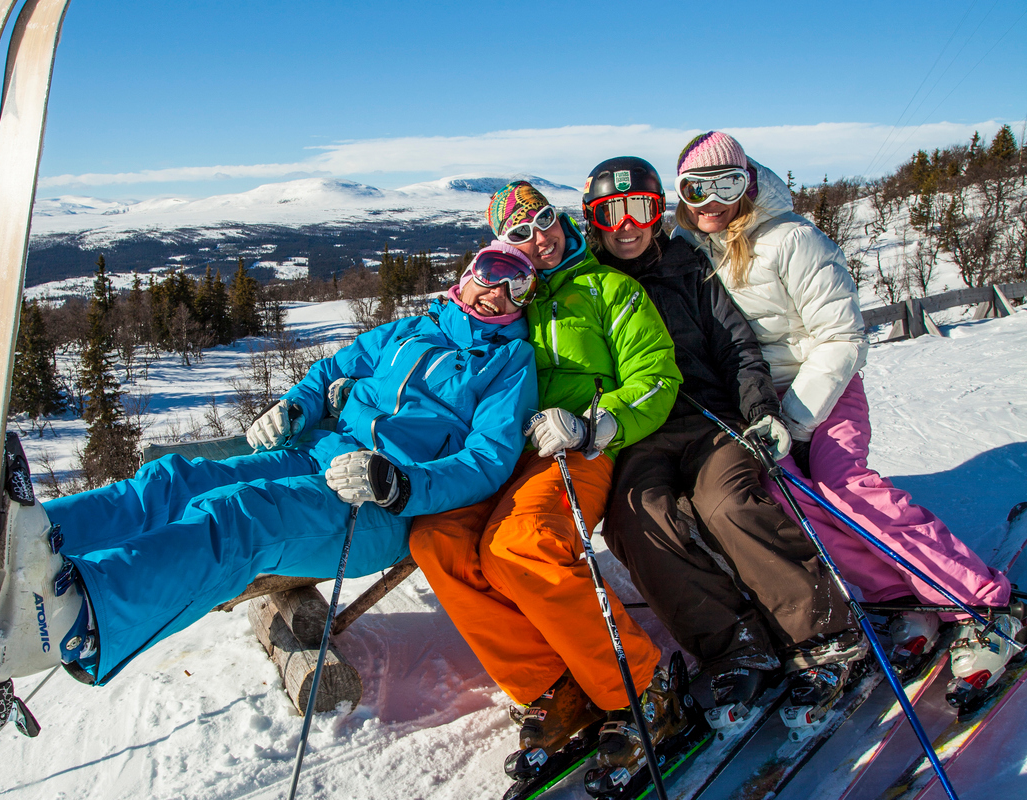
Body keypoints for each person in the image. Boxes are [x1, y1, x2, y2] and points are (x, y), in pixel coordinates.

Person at [0, 245, 541, 737]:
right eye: (492, 270)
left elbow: (486, 461)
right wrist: (295, 407)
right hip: (312, 454)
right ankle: (11, 542)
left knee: (238, 519)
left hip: (372, 506)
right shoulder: (412, 328)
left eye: (520, 285)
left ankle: (77, 620)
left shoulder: (509, 366)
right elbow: (330, 372)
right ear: (465, 274)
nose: (499, 292)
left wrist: (399, 483)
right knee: (175, 479)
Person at [671, 130, 1018, 707]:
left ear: (748, 184)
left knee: (842, 486)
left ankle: (982, 602)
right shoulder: (695, 246)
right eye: (695, 188)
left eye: (726, 185)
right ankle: (900, 595)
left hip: (821, 388)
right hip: (758, 402)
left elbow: (841, 337)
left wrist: (798, 420)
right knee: (785, 500)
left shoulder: (791, 239)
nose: (711, 201)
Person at [409, 180, 690, 782]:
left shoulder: (612, 289)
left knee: (520, 547)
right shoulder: (504, 297)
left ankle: (644, 686)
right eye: (519, 232)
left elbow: (657, 378)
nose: (539, 237)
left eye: (544, 219)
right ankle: (555, 682)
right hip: (498, 454)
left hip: (579, 448)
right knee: (437, 542)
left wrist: (593, 423)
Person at [583, 156, 865, 717]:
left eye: (639, 208)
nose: (627, 226)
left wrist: (761, 409)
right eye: (610, 213)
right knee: (639, 522)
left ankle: (821, 631)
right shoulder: (589, 285)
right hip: (637, 433)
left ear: (658, 211)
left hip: (710, 420)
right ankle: (733, 644)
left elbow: (737, 345)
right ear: (594, 221)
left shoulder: (687, 267)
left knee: (728, 503)